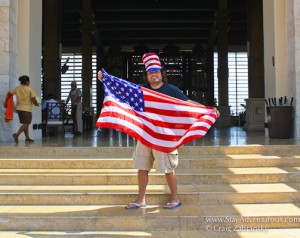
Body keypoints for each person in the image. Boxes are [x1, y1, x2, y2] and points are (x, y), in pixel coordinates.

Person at [98, 52, 220, 209]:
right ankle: (140, 199)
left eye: (156, 71)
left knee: (168, 169)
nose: (153, 75)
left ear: (162, 73)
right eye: (150, 72)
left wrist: (207, 110)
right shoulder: (141, 91)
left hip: (165, 136)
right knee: (142, 167)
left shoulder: (172, 90)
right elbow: (121, 90)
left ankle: (175, 198)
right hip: (144, 135)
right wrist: (107, 80)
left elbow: (188, 104)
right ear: (147, 76)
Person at [6, 75, 39, 143]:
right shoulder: (30, 89)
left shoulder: (17, 88)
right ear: (27, 82)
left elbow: (9, 93)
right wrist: (36, 104)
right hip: (26, 109)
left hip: (19, 108)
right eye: (29, 81)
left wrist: (10, 100)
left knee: (25, 123)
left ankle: (27, 137)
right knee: (27, 123)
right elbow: (33, 99)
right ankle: (17, 134)